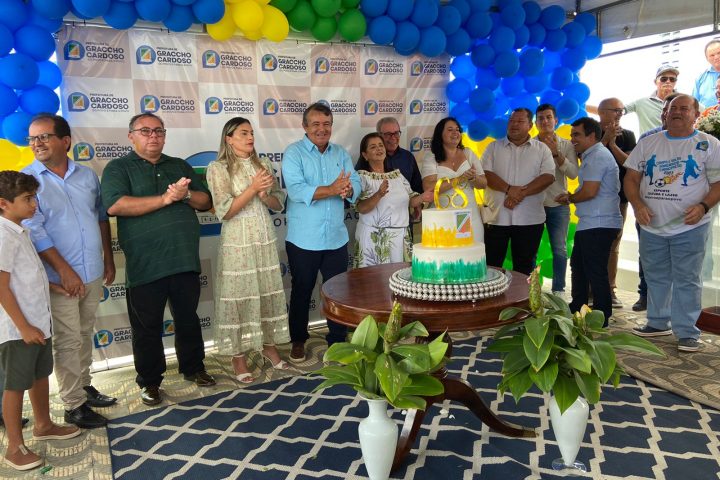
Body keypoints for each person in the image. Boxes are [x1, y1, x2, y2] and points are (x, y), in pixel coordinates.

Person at [101, 113, 216, 406]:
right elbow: (115, 205)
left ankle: (194, 368)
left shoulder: (178, 165)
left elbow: (206, 202)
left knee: (188, 320)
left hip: (184, 259)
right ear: (131, 136)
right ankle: (150, 382)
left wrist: (184, 194)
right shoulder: (118, 167)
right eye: (145, 131)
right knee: (147, 328)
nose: (153, 136)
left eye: (158, 131)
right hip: (146, 264)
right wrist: (165, 199)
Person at [21, 114, 116, 430]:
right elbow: (34, 230)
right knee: (67, 340)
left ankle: (84, 387)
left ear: (65, 141)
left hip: (92, 271)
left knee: (84, 333)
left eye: (43, 137)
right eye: (32, 138)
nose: (36, 143)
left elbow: (100, 217)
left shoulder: (87, 176)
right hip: (59, 279)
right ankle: (73, 405)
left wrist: (108, 259)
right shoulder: (27, 181)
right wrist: (64, 271)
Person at [625, 94, 720, 352]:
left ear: (696, 114)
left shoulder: (709, 144)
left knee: (687, 278)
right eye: (673, 108)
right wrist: (638, 205)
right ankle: (657, 322)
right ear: (665, 113)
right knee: (655, 275)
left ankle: (687, 331)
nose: (677, 112)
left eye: (684, 108)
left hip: (690, 226)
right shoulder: (648, 142)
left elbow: (718, 184)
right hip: (651, 226)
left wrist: (703, 207)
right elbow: (631, 178)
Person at [0, 171, 81, 471]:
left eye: (34, 197)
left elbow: (26, 276)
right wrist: (23, 327)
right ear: (4, 203)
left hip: (38, 321)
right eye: (27, 199)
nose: (34, 204)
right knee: (15, 385)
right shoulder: (2, 234)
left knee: (39, 374)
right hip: (17, 329)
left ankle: (43, 425)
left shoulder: (20, 230)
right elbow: (1, 286)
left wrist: (54, 287)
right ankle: (14, 447)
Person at [205, 118, 290, 384]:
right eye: (243, 133)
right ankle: (238, 355)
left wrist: (265, 196)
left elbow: (278, 203)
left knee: (266, 292)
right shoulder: (218, 168)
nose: (250, 137)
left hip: (263, 236)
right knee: (238, 297)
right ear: (229, 138)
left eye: (252, 132)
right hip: (237, 240)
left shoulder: (263, 164)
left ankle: (269, 346)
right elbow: (225, 211)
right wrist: (253, 189)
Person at [281, 103, 361, 363]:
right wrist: (332, 188)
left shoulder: (340, 153)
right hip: (303, 239)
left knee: (337, 293)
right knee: (302, 290)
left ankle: (337, 340)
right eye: (315, 124)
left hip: (336, 237)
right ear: (305, 126)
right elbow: (296, 190)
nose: (321, 129)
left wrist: (349, 190)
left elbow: (355, 182)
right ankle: (298, 340)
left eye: (326, 124)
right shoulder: (293, 153)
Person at [556, 118, 622, 325]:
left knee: (595, 270)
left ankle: (601, 315)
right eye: (571, 135)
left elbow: (589, 191)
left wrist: (569, 197)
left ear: (592, 136)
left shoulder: (597, 156)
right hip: (591, 222)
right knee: (579, 266)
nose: (572, 139)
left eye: (576, 134)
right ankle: (578, 307)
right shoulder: (593, 154)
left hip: (599, 223)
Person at [481, 108, 555, 275]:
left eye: (520, 121)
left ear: (530, 125)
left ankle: (521, 294)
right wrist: (509, 189)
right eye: (512, 121)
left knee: (525, 268)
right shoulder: (493, 147)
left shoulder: (542, 149)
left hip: (529, 219)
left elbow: (548, 177)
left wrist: (520, 193)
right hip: (496, 218)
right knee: (491, 266)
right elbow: (485, 174)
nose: (514, 125)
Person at [630, 92, 683, 312]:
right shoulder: (647, 139)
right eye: (665, 110)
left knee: (678, 261)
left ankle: (673, 303)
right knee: (647, 256)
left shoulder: (695, 141)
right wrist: (638, 205)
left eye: (673, 110)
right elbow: (633, 174)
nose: (667, 114)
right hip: (649, 211)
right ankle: (645, 295)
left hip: (681, 214)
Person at [353, 133, 432, 267]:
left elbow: (410, 200)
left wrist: (422, 197)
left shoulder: (397, 175)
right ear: (365, 155)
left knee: (398, 276)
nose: (379, 149)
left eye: (380, 145)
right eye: (373, 147)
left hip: (400, 237)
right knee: (372, 278)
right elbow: (361, 208)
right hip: (373, 239)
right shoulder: (361, 177)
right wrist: (379, 194)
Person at [535, 104, 579, 296]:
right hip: (533, 204)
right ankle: (529, 291)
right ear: (535, 123)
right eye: (541, 118)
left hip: (558, 204)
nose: (545, 121)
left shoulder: (566, 145)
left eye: (548, 117)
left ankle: (558, 290)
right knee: (530, 249)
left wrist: (556, 153)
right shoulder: (530, 144)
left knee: (559, 249)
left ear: (556, 120)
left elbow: (573, 173)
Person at [597, 98, 637, 308]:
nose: (620, 114)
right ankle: (590, 287)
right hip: (592, 198)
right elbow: (587, 160)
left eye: (622, 111)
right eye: (616, 110)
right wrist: (604, 140)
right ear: (602, 112)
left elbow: (629, 163)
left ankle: (609, 289)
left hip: (619, 198)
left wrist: (612, 144)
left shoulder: (627, 135)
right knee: (591, 243)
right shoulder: (590, 131)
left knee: (613, 244)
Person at [420, 117, 488, 241]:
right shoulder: (431, 156)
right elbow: (429, 187)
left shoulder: (468, 153)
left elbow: (483, 184)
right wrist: (459, 179)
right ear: (440, 134)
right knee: (448, 252)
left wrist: (473, 177)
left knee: (470, 250)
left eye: (457, 130)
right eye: (450, 130)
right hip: (442, 217)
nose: (455, 133)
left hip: (468, 216)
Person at [376, 117, 423, 194]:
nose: (393, 138)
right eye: (388, 134)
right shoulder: (371, 158)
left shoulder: (408, 157)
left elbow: (417, 188)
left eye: (396, 133)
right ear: (379, 136)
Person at [693, 38, 720, 109]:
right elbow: (694, 103)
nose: (716, 57)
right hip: (706, 116)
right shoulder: (700, 78)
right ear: (707, 58)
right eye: (712, 55)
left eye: (719, 53)